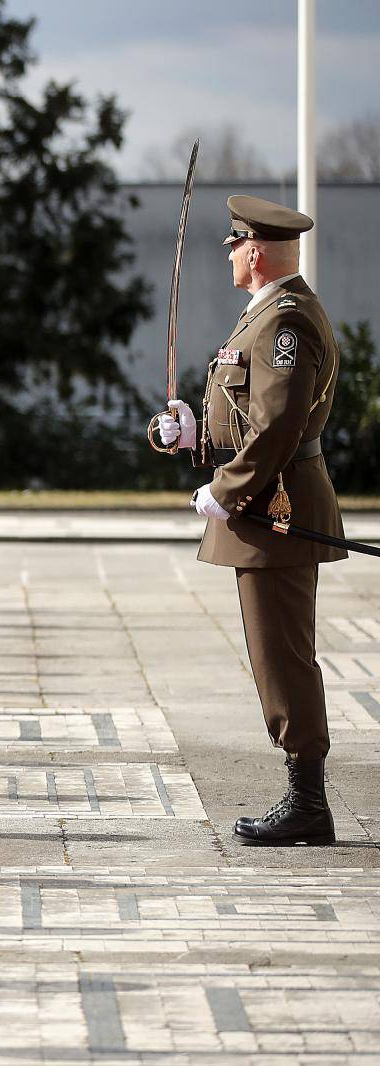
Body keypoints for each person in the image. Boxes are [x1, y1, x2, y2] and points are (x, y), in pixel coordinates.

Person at [156, 194, 343, 846]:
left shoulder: (284, 323)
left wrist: (227, 489)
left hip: (277, 508)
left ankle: (309, 804)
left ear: (255, 251)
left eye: (235, 243)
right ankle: (304, 796)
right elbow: (247, 415)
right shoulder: (264, 316)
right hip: (265, 504)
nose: (231, 253)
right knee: (275, 654)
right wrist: (193, 439)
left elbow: (279, 426)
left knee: (283, 655)